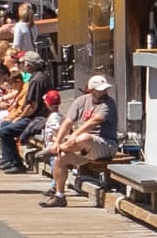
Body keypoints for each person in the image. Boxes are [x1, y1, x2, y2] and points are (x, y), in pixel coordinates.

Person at [35, 75, 122, 207]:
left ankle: (53, 151)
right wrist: (57, 142)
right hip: (80, 146)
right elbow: (67, 122)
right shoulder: (81, 101)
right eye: (100, 90)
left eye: (105, 90)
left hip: (106, 145)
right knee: (60, 159)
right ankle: (59, 196)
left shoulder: (108, 103)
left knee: (84, 137)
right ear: (91, 90)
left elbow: (95, 121)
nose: (104, 93)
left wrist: (73, 135)